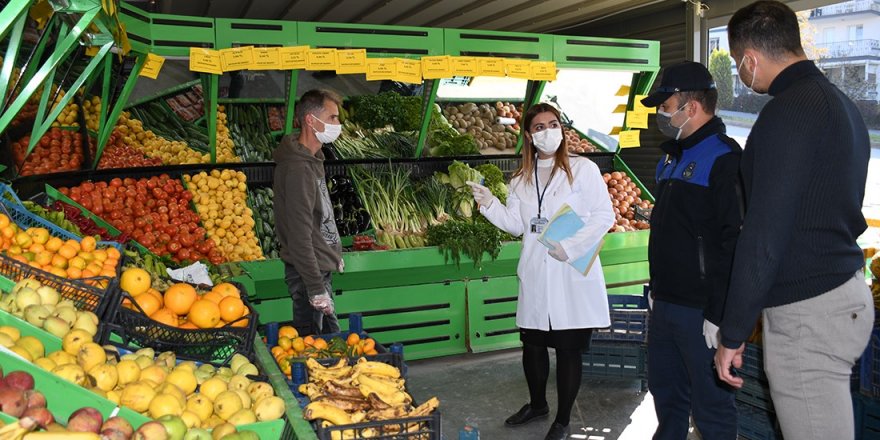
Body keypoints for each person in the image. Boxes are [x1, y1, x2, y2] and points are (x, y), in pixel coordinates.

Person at [714, 2, 873, 439]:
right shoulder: (840, 104)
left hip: (809, 312)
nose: (740, 74)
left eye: (736, 63)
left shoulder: (788, 112)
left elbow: (764, 233)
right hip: (841, 289)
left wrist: (733, 332)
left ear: (750, 59)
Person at [469, 103, 614, 440]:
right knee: (532, 345)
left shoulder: (583, 169)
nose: (547, 131)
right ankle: (537, 404)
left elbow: (603, 216)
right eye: (539, 127)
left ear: (560, 129)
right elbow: (516, 225)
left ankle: (562, 419)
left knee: (567, 348)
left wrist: (572, 247)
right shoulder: (521, 178)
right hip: (536, 271)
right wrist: (489, 203)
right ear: (529, 136)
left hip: (570, 273)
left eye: (552, 124)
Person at [639, 61, 743, 440]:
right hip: (665, 303)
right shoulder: (671, 157)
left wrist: (720, 314)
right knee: (667, 398)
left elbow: (735, 242)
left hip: (701, 312)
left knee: (711, 408)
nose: (661, 115)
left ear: (692, 107)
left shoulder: (725, 159)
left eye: (666, 106)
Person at [273, 89, 346, 336]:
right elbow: (299, 236)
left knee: (329, 345)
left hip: (317, 268)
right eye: (333, 117)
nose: (338, 124)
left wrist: (332, 251)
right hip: (307, 276)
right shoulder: (298, 169)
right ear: (311, 120)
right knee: (319, 348)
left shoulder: (313, 159)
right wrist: (315, 288)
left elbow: (318, 216)